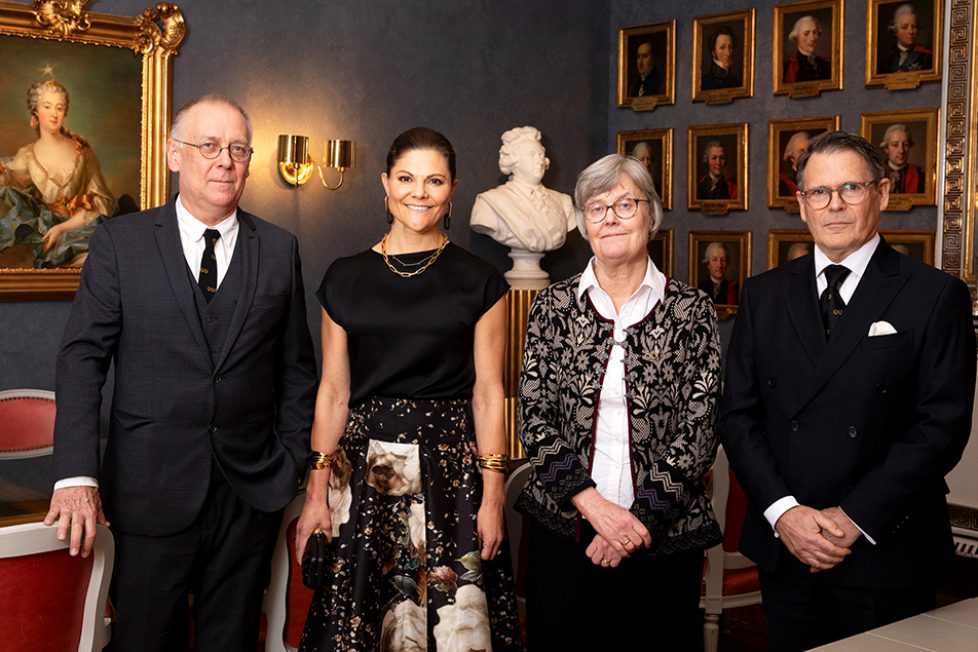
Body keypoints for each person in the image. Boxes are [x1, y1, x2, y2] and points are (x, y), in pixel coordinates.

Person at [43, 95, 318, 651]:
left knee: (231, 640)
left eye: (238, 149)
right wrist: (77, 473)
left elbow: (296, 370)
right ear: (174, 155)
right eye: (209, 146)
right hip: (149, 490)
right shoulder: (120, 243)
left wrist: (290, 462)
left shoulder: (280, 248)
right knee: (144, 640)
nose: (225, 160)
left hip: (250, 494)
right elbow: (82, 359)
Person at [719, 131, 976, 651]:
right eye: (819, 192)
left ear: (881, 193)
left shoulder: (933, 294)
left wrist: (853, 518)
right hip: (786, 542)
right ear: (801, 203)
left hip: (885, 544)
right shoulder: (764, 293)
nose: (833, 205)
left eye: (850, 188)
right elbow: (738, 415)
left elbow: (941, 427)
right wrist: (783, 512)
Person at [295, 127, 522, 651]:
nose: (419, 192)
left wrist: (492, 498)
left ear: (452, 190)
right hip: (364, 475)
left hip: (452, 473)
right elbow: (333, 393)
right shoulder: (345, 277)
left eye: (434, 180)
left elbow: (489, 393)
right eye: (406, 178)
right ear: (385, 184)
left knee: (453, 624)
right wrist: (314, 496)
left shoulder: (480, 280)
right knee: (360, 623)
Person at [517, 153, 722, 651]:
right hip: (562, 534)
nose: (609, 217)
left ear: (651, 215)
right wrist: (594, 509)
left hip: (663, 536)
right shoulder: (552, 306)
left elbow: (698, 431)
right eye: (596, 207)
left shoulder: (691, 309)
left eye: (625, 204)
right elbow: (533, 417)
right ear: (584, 224)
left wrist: (632, 525)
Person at [0, 80, 116, 268]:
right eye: (47, 107)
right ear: (36, 111)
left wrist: (61, 228)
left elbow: (101, 202)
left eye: (59, 108)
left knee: (92, 260)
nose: (54, 114)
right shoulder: (27, 155)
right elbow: (9, 182)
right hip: (42, 230)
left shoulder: (82, 152)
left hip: (81, 228)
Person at [470, 125, 576, 252]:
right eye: (531, 155)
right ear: (514, 160)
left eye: (541, 155)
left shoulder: (563, 202)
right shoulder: (490, 202)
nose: (539, 161)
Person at [883, 4, 933, 73]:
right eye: (905, 27)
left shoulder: (927, 58)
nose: (911, 31)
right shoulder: (887, 60)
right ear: (895, 30)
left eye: (914, 26)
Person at [784, 15, 831, 82]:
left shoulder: (826, 66)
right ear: (796, 37)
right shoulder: (787, 68)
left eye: (814, 33)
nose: (812, 38)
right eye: (806, 34)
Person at [880, 123, 924, 193]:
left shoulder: (920, 176)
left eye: (905, 145)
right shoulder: (876, 173)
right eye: (895, 145)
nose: (901, 151)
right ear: (886, 148)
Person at [701, 25, 741, 90]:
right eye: (722, 48)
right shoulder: (704, 83)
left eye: (730, 47)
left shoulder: (737, 83)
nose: (728, 53)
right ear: (713, 52)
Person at [780, 131, 811, 196]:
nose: (806, 155)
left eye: (808, 151)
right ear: (791, 157)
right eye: (801, 151)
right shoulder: (783, 184)